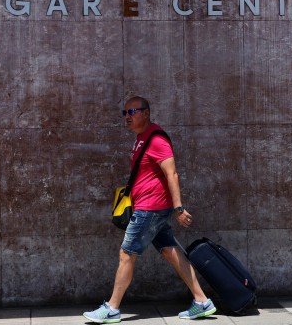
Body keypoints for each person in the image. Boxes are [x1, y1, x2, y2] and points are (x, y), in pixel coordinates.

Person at [83, 96, 216, 324]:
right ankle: (202, 301)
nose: (127, 117)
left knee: (127, 254)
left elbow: (171, 173)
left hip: (150, 208)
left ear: (146, 113)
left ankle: (112, 308)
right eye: (124, 113)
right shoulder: (141, 138)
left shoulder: (156, 138)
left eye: (132, 112)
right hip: (150, 206)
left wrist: (179, 208)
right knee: (169, 251)